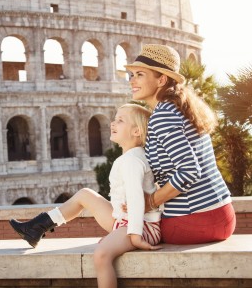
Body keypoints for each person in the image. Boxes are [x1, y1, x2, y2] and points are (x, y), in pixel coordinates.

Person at [9, 103, 162, 288]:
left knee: (101, 255)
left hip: (142, 228)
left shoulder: (132, 161)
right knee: (85, 195)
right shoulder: (131, 157)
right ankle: (36, 227)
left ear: (137, 131)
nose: (113, 123)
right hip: (126, 221)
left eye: (120, 121)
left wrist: (135, 236)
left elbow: (138, 200)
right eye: (114, 119)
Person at [124, 44, 236, 244]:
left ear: (162, 80)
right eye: (131, 75)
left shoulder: (164, 116)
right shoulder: (176, 108)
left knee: (118, 225)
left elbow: (189, 171)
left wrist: (150, 202)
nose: (131, 80)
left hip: (195, 220)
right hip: (220, 214)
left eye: (139, 74)